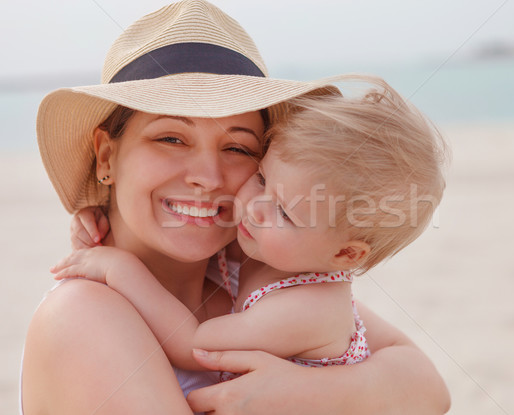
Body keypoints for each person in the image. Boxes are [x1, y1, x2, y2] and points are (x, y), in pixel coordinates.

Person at [22, 1, 450, 414]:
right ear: (106, 157)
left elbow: (429, 388)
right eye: (171, 138)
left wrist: (312, 394)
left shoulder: (245, 272)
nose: (208, 177)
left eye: (237, 147)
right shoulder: (82, 315)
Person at [51, 79, 447, 379]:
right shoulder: (259, 254)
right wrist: (99, 224)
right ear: (105, 155)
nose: (254, 210)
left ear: (345, 255)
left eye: (238, 149)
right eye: (260, 178)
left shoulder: (310, 305)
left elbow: (195, 345)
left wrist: (118, 268)